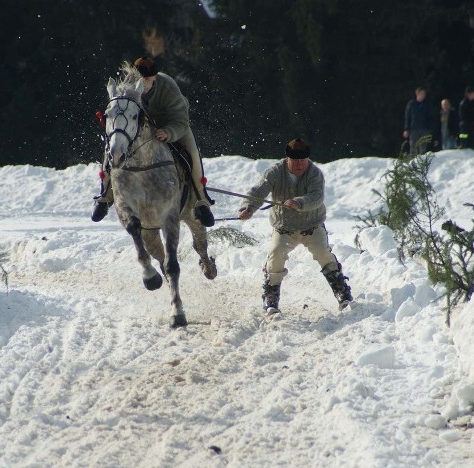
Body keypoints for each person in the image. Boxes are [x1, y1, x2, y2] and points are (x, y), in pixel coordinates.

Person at [92, 57, 214, 226]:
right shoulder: (127, 87)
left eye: (148, 80)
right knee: (111, 149)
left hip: (172, 125)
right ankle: (105, 196)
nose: (144, 83)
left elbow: (181, 119)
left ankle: (200, 200)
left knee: (192, 155)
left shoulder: (168, 87)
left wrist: (169, 132)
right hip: (139, 129)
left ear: (155, 77)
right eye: (140, 79)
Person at [237, 138, 352, 314]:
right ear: (287, 158)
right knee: (275, 256)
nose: (299, 164)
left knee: (323, 253)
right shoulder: (274, 172)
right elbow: (257, 191)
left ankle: (342, 292)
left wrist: (299, 203)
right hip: (284, 228)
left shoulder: (315, 174)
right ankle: (271, 298)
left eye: (303, 161)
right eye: (295, 161)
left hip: (312, 226)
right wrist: (248, 207)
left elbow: (316, 197)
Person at [403, 87, 434, 155]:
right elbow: (407, 117)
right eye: (421, 93)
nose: (423, 95)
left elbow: (431, 116)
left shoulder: (427, 104)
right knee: (413, 147)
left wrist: (430, 128)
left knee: (423, 147)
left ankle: (421, 163)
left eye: (424, 94)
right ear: (417, 94)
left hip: (424, 128)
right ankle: (412, 162)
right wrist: (406, 129)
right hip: (414, 128)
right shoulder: (411, 104)